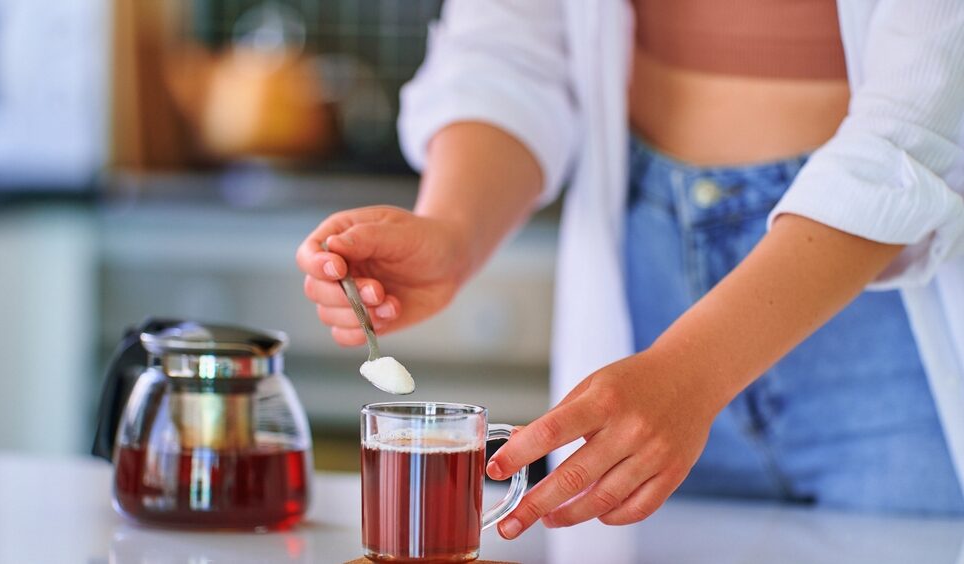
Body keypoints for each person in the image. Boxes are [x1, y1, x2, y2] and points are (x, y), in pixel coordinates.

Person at [297, 0, 964, 540]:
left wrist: (694, 370)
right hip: (648, 268)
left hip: (882, 297)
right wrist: (453, 227)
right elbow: (509, 45)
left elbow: (923, 115)